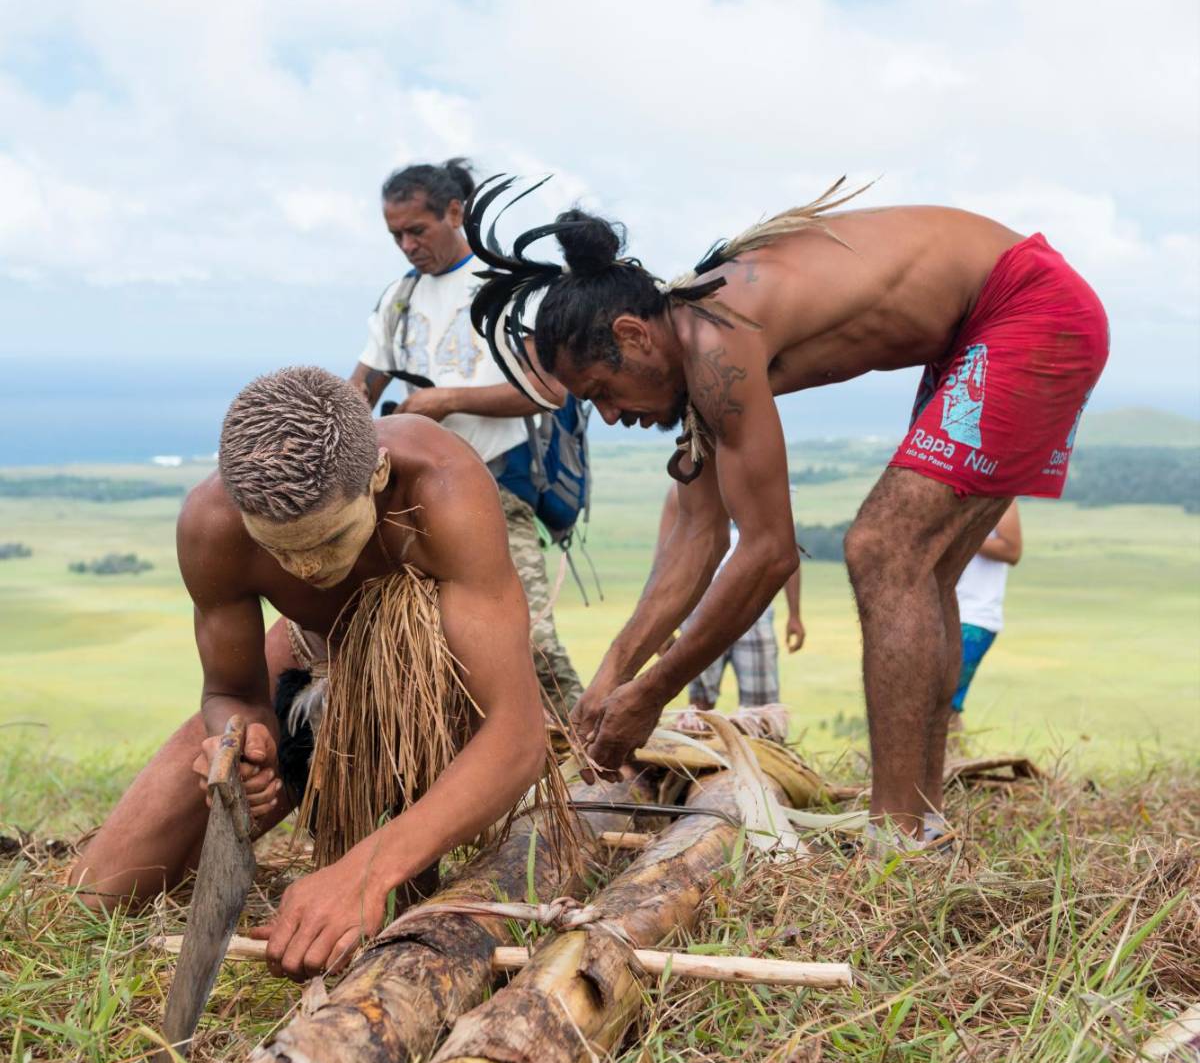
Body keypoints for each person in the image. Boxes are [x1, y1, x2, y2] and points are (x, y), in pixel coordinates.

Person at [464, 178, 1108, 839]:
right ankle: (919, 820)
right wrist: (612, 678)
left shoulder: (715, 339)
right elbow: (697, 539)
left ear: (633, 335)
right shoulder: (696, 348)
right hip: (1003, 320)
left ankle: (898, 831)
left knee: (884, 549)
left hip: (1029, 308)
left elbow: (768, 552)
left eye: (602, 389)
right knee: (924, 568)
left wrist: (652, 695)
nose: (609, 415)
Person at [69, 367, 549, 979]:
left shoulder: (443, 486)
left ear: (377, 476)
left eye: (329, 540)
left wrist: (366, 870)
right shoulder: (212, 525)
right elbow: (229, 691)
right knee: (97, 892)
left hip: (433, 676)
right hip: (306, 651)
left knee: (386, 910)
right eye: (280, 548)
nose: (305, 569)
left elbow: (516, 736)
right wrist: (241, 740)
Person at [348, 158, 583, 716]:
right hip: (414, 499)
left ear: (455, 213)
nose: (406, 245)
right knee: (425, 644)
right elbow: (360, 384)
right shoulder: (399, 299)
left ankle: (591, 762)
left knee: (530, 640)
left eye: (417, 230)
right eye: (395, 235)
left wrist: (443, 400)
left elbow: (549, 389)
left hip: (497, 488)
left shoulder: (505, 287)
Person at [653, 488, 804, 738]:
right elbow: (666, 558)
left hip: (755, 609)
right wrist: (663, 623)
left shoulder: (763, 483)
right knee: (698, 704)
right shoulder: (684, 489)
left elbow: (786, 551)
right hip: (700, 609)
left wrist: (795, 615)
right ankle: (699, 766)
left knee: (761, 705)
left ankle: (766, 764)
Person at [950, 500, 1022, 725]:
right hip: (942, 610)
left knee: (942, 706)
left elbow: (1012, 549)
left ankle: (954, 759)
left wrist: (958, 532)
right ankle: (955, 758)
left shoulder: (1001, 492)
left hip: (974, 616)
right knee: (937, 707)